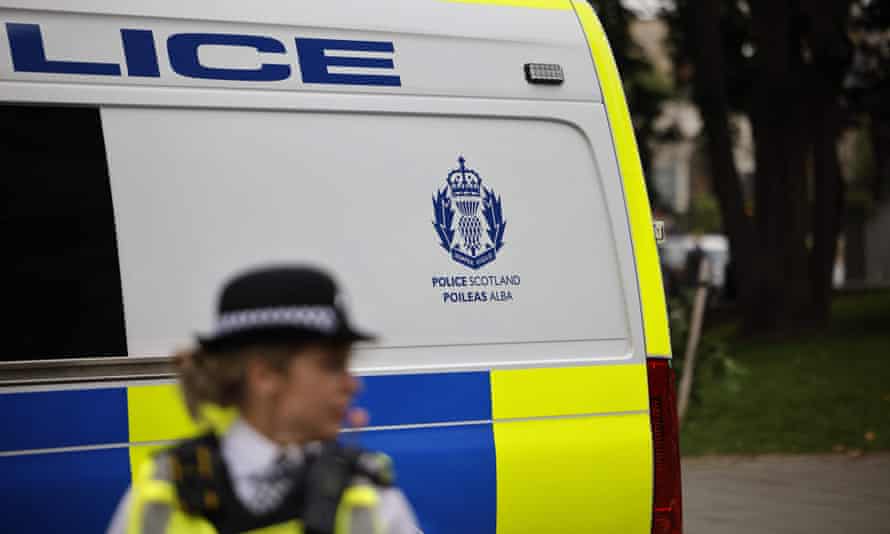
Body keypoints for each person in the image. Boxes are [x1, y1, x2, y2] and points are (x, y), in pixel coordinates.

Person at [107, 265, 419, 534]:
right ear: (265, 376)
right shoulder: (161, 495)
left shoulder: (369, 496)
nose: (353, 385)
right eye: (332, 365)